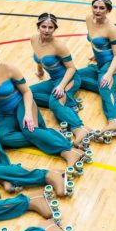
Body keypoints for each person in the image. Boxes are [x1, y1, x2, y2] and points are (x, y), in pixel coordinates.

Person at [0, 41, 85, 168]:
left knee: (30, 130)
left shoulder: (9, 69)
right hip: (4, 114)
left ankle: (69, 151)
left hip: (22, 104)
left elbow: (27, 92)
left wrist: (28, 113)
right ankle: (49, 134)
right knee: (2, 137)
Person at [30, 13, 92, 144]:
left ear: (55, 29)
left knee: (55, 103)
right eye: (43, 26)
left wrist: (61, 86)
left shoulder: (58, 46)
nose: (47, 30)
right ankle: (66, 103)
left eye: (50, 27)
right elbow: (38, 56)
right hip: (54, 80)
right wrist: (40, 71)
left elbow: (71, 68)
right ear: (38, 26)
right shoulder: (34, 39)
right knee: (27, 94)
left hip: (69, 78)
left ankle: (80, 128)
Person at [77, 0, 116, 132]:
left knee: (104, 84)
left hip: (113, 63)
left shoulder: (111, 29)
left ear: (108, 10)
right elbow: (95, 39)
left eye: (102, 8)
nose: (97, 10)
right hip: (100, 63)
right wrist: (98, 52)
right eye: (95, 7)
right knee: (74, 76)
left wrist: (109, 74)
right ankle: (114, 87)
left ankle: (115, 121)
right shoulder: (89, 19)